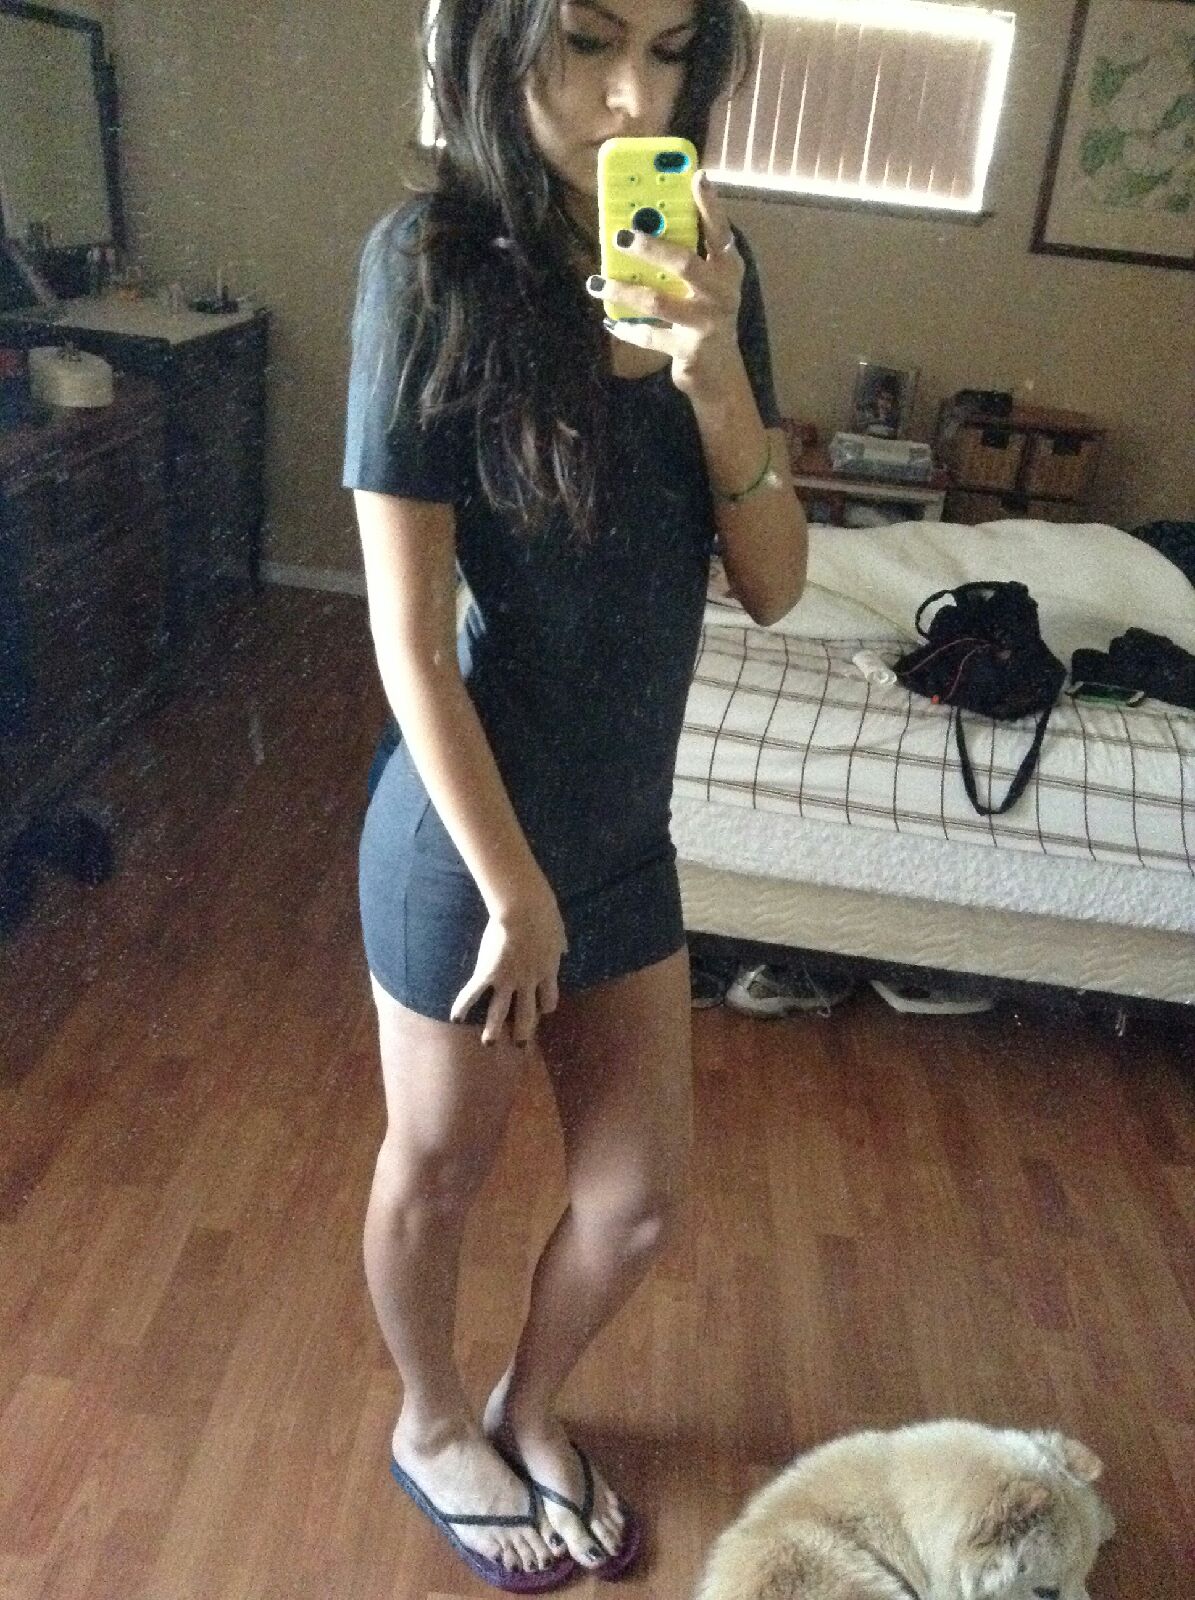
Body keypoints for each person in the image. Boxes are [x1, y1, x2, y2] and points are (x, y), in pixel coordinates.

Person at [343, 0, 807, 1588]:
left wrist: (716, 374)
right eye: (589, 42)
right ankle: (431, 1427)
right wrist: (514, 890)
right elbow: (410, 643)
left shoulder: (715, 266)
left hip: (621, 836)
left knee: (638, 1204)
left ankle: (526, 1406)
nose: (630, 97)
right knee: (440, 1172)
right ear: (500, 43)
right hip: (471, 844)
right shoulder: (429, 267)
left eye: (670, 52)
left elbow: (777, 586)